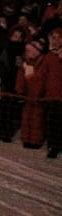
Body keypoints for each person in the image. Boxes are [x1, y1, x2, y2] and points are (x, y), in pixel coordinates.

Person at [15, 40, 45, 149]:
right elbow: (20, 78)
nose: (28, 53)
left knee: (37, 119)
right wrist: (20, 91)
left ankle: (36, 140)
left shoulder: (42, 62)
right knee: (26, 117)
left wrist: (41, 92)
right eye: (27, 51)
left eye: (30, 50)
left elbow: (43, 79)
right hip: (27, 95)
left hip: (38, 96)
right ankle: (26, 139)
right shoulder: (25, 63)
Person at [38, 27, 62, 158]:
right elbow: (42, 75)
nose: (56, 40)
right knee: (52, 122)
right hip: (51, 95)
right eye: (54, 38)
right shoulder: (49, 56)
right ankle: (53, 145)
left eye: (59, 38)